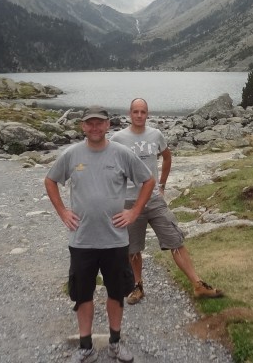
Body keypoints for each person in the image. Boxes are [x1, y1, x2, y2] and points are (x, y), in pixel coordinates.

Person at [45, 105, 155, 363]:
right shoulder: (72, 154)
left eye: (100, 123)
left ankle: (115, 343)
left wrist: (134, 212)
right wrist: (62, 212)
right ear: (83, 126)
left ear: (108, 125)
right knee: (83, 294)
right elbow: (50, 181)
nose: (95, 128)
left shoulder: (122, 153)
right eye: (89, 123)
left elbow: (148, 180)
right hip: (82, 241)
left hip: (115, 240)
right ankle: (86, 347)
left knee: (116, 294)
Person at [111, 98, 224, 304]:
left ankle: (198, 284)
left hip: (154, 199)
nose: (139, 115)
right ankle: (137, 286)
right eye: (135, 112)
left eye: (143, 112)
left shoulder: (156, 135)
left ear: (148, 114)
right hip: (129, 201)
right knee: (133, 248)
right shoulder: (118, 139)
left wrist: (162, 185)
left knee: (175, 239)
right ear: (130, 113)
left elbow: (167, 157)